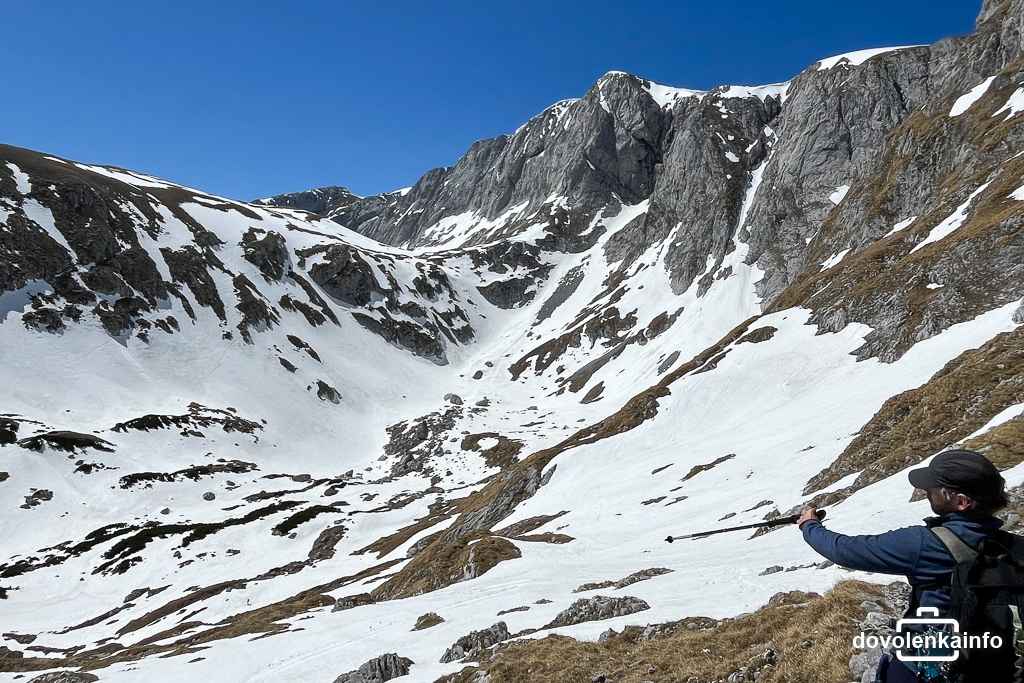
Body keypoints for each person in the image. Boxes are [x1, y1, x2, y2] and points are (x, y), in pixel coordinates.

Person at [796, 449, 1010, 682]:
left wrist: (810, 525)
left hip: (926, 666)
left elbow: (844, 550)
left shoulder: (926, 545)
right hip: (989, 663)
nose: (926, 491)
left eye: (935, 488)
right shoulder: (1008, 544)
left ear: (961, 501)